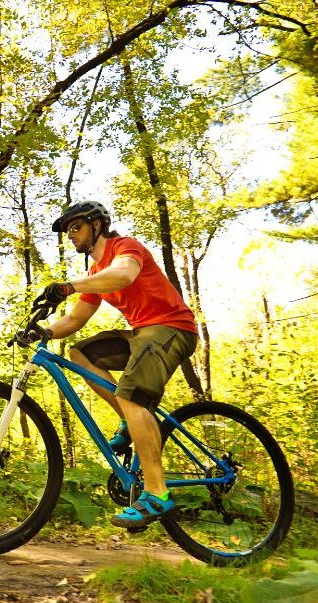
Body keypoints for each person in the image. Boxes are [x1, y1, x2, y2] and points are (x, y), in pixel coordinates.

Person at [25, 200, 198, 528]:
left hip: (171, 328)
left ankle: (157, 495)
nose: (71, 236)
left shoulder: (125, 248)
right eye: (68, 232)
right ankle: (130, 422)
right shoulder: (94, 274)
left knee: (132, 395)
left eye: (76, 227)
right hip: (140, 333)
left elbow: (122, 275)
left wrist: (69, 286)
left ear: (97, 225)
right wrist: (42, 331)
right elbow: (76, 318)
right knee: (80, 354)